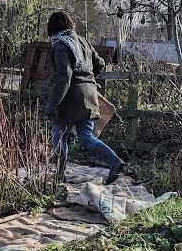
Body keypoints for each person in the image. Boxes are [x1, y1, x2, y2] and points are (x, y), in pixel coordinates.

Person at [44, 10, 125, 184]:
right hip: (89, 96)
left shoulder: (60, 45)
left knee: (59, 135)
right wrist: (87, 80)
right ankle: (115, 162)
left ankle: (58, 175)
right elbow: (100, 64)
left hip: (70, 98)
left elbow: (64, 76)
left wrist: (52, 104)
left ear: (52, 28)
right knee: (86, 137)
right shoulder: (83, 41)